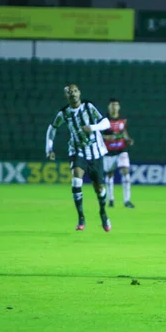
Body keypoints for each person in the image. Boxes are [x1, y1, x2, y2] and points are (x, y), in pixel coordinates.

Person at [45, 84, 111, 231]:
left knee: (99, 188)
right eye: (69, 92)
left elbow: (105, 122)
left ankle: (103, 213)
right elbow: (52, 128)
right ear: (66, 96)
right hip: (77, 151)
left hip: (96, 152)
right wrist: (49, 148)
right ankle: (81, 218)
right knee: (76, 180)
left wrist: (92, 128)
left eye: (74, 91)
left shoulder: (88, 107)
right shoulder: (64, 113)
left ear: (79, 93)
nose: (72, 94)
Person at [102, 98, 135, 208]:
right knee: (109, 174)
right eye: (112, 105)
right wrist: (107, 137)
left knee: (125, 172)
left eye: (116, 105)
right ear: (109, 107)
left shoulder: (122, 120)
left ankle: (127, 200)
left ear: (119, 107)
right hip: (108, 151)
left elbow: (123, 131)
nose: (114, 107)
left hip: (121, 150)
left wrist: (128, 139)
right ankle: (111, 199)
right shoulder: (104, 120)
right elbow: (97, 135)